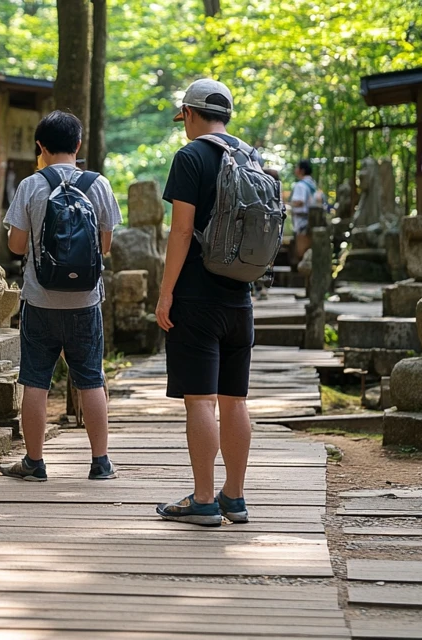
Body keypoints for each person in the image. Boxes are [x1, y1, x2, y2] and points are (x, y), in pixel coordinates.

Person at [155, 79, 260, 526]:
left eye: (184, 119)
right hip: (241, 296)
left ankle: (201, 500)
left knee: (200, 400)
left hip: (197, 299)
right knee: (235, 400)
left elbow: (181, 232)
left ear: (191, 114)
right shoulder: (251, 155)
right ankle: (233, 497)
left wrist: (166, 293)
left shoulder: (190, 156)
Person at [0, 110, 122, 482]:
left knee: (36, 379)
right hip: (85, 301)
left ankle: (34, 462)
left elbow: (17, 247)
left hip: (39, 300)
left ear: (41, 147)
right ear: (78, 145)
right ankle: (100, 462)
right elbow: (106, 246)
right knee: (90, 378)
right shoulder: (98, 184)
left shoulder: (31, 186)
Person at [290, 159, 323, 264]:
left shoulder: (300, 185)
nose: (295, 170)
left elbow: (299, 202)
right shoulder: (312, 184)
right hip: (311, 222)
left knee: (302, 256)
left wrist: (286, 205)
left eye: (297, 167)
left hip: (302, 224)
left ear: (302, 170)